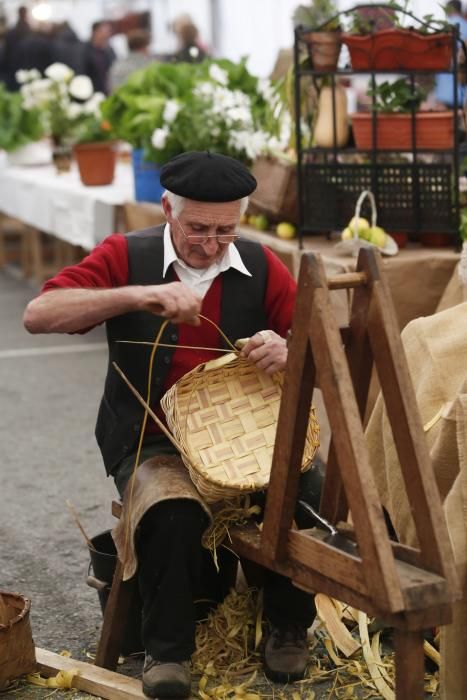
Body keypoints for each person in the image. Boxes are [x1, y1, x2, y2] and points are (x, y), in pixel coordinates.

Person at [23, 151, 316, 699]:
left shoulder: (260, 264)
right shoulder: (126, 255)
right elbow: (39, 314)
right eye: (198, 228)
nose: (210, 243)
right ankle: (167, 649)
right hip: (148, 433)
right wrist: (140, 295)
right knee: (173, 508)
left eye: (225, 230)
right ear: (166, 209)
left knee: (303, 485)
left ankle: (288, 623)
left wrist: (289, 346)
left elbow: (316, 340)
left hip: (240, 429)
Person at [433, 1, 467, 108]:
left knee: (446, 119)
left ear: (448, 10)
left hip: (445, 87)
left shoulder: (446, 27)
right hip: (463, 84)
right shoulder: (466, 25)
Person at [83, 20, 116, 94]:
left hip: (108, 92)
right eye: (103, 32)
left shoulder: (110, 51)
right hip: (91, 93)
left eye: (108, 32)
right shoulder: (84, 50)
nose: (106, 35)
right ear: (95, 32)